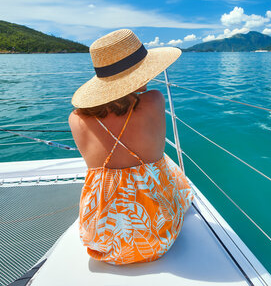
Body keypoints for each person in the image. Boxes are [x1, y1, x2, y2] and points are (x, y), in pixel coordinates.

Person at [69, 29, 193, 265]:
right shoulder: (155, 100)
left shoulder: (76, 119)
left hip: (103, 243)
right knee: (168, 168)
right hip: (157, 236)